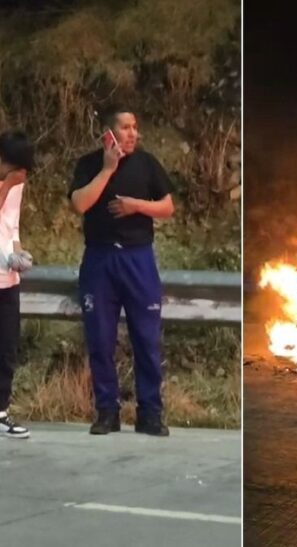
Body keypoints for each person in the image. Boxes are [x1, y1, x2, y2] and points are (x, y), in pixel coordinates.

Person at [69, 106, 174, 436]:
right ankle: (107, 412)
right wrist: (107, 170)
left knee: (146, 339)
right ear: (108, 133)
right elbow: (79, 204)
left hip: (137, 258)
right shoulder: (89, 164)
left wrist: (136, 206)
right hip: (100, 259)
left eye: (135, 127)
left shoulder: (146, 163)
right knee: (100, 340)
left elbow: (167, 207)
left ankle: (150, 413)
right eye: (125, 127)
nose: (133, 134)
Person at [0, 131, 35, 439]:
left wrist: (19, 253)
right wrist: (7, 185)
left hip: (7, 277)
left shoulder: (17, 184)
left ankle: (0, 412)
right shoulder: (9, 183)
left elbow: (12, 225)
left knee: (7, 349)